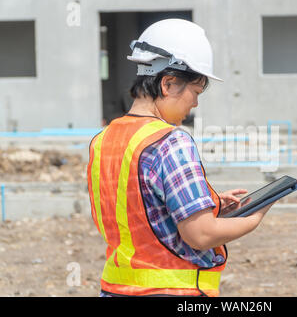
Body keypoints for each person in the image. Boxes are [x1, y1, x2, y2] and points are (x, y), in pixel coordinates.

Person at [87, 18, 275, 297]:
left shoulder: (102, 140)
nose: (196, 103)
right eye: (195, 91)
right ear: (168, 84)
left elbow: (137, 213)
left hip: (114, 290)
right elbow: (201, 235)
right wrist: (254, 217)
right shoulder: (171, 140)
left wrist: (204, 202)